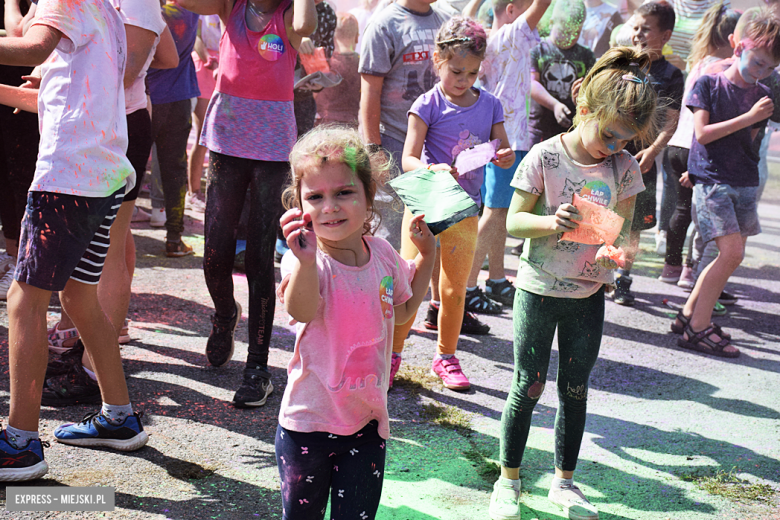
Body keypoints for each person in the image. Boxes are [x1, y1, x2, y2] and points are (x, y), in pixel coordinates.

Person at [490, 47, 659, 520]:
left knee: (576, 389)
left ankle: (565, 483)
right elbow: (514, 223)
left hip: (588, 296)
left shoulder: (624, 167)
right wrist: (552, 223)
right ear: (584, 106)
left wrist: (620, 253)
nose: (613, 146)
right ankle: (509, 481)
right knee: (528, 385)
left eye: (625, 140)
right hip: (538, 289)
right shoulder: (545, 156)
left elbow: (625, 232)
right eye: (608, 134)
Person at [0, 0, 148, 481]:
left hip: (68, 178)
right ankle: (119, 416)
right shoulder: (105, 11)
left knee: (24, 299)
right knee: (79, 296)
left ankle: (20, 444)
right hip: (101, 175)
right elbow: (53, 98)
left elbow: (31, 48)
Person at [275, 127, 435, 520]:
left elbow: (401, 312)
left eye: (343, 192)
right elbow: (303, 310)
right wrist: (308, 260)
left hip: (367, 423)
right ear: (298, 206)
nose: (329, 207)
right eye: (315, 197)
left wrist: (428, 256)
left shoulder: (381, 254)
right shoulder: (304, 260)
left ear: (369, 196)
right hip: (307, 423)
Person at [178, 0, 317, 407]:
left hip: (273, 148)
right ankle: (224, 314)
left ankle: (257, 368)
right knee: (215, 255)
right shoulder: (231, 7)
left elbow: (305, 24)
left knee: (258, 260)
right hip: (227, 141)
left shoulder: (289, 14)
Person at [42, 0, 180, 407]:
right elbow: (167, 55)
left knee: (110, 255)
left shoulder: (137, 1)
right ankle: (86, 354)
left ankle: (90, 369)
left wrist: (52, 75)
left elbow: (127, 72)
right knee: (106, 251)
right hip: (100, 122)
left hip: (116, 124)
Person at [390, 17, 514, 390]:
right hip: (426, 204)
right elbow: (408, 158)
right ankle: (392, 354)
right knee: (408, 284)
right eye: (457, 71)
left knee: (454, 289)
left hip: (464, 209)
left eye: (473, 73)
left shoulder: (490, 105)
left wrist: (504, 156)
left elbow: (502, 147)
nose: (464, 79)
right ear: (437, 60)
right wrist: (432, 168)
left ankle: (446, 356)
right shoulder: (426, 103)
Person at [674, 8, 780, 358]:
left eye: (769, 68)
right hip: (714, 184)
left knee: (729, 256)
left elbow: (747, 143)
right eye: (757, 61)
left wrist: (755, 119)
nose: (761, 72)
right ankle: (698, 328)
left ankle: (690, 314)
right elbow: (702, 134)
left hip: (743, 183)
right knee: (730, 253)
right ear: (737, 47)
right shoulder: (709, 83)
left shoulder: (763, 93)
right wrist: (749, 117)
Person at [462, 0, 549, 316]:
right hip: (507, 140)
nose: (533, 16)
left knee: (498, 211)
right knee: (496, 213)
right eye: (525, 8)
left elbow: (464, 19)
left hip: (498, 136)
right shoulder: (513, 33)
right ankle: (467, 287)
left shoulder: (484, 39)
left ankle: (496, 279)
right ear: (511, 9)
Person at [358, 0, 449, 250]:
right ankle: (389, 286)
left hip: (432, 143)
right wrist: (374, 150)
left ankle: (420, 289)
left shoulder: (444, 20)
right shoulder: (384, 25)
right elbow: (370, 94)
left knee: (429, 230)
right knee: (392, 228)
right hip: (393, 140)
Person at [659, 3, 739, 287]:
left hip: (676, 146)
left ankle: (671, 266)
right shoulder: (723, 69)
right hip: (695, 149)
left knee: (682, 209)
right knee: (700, 214)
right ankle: (691, 272)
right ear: (734, 40)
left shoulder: (699, 62)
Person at [612, 0, 683, 305]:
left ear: (665, 36)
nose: (638, 34)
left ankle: (623, 278)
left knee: (634, 224)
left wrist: (653, 152)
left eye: (646, 29)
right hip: (608, 156)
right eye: (635, 27)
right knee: (601, 214)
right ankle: (595, 271)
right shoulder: (620, 64)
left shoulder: (671, 75)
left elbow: (671, 121)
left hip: (643, 162)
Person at [146, 1, 201, 257]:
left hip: (140, 100)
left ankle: (116, 235)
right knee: (174, 170)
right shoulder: (188, 10)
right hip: (176, 100)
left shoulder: (142, 11)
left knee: (128, 169)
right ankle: (174, 238)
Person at [530, 0, 596, 145]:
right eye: (565, 31)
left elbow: (594, 90)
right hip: (538, 129)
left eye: (576, 32)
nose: (570, 37)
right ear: (551, 22)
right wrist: (554, 104)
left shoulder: (586, 56)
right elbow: (532, 83)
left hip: (571, 131)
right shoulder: (538, 50)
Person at [187, 14, 222, 213]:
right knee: (203, 132)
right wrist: (211, 61)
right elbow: (196, 37)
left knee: (220, 134)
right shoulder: (202, 8)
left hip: (225, 67)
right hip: (206, 66)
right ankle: (194, 192)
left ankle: (213, 191)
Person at [314, 12, 361, 128]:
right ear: (356, 38)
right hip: (351, 129)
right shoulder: (363, 64)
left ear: (332, 36)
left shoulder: (323, 62)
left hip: (323, 128)